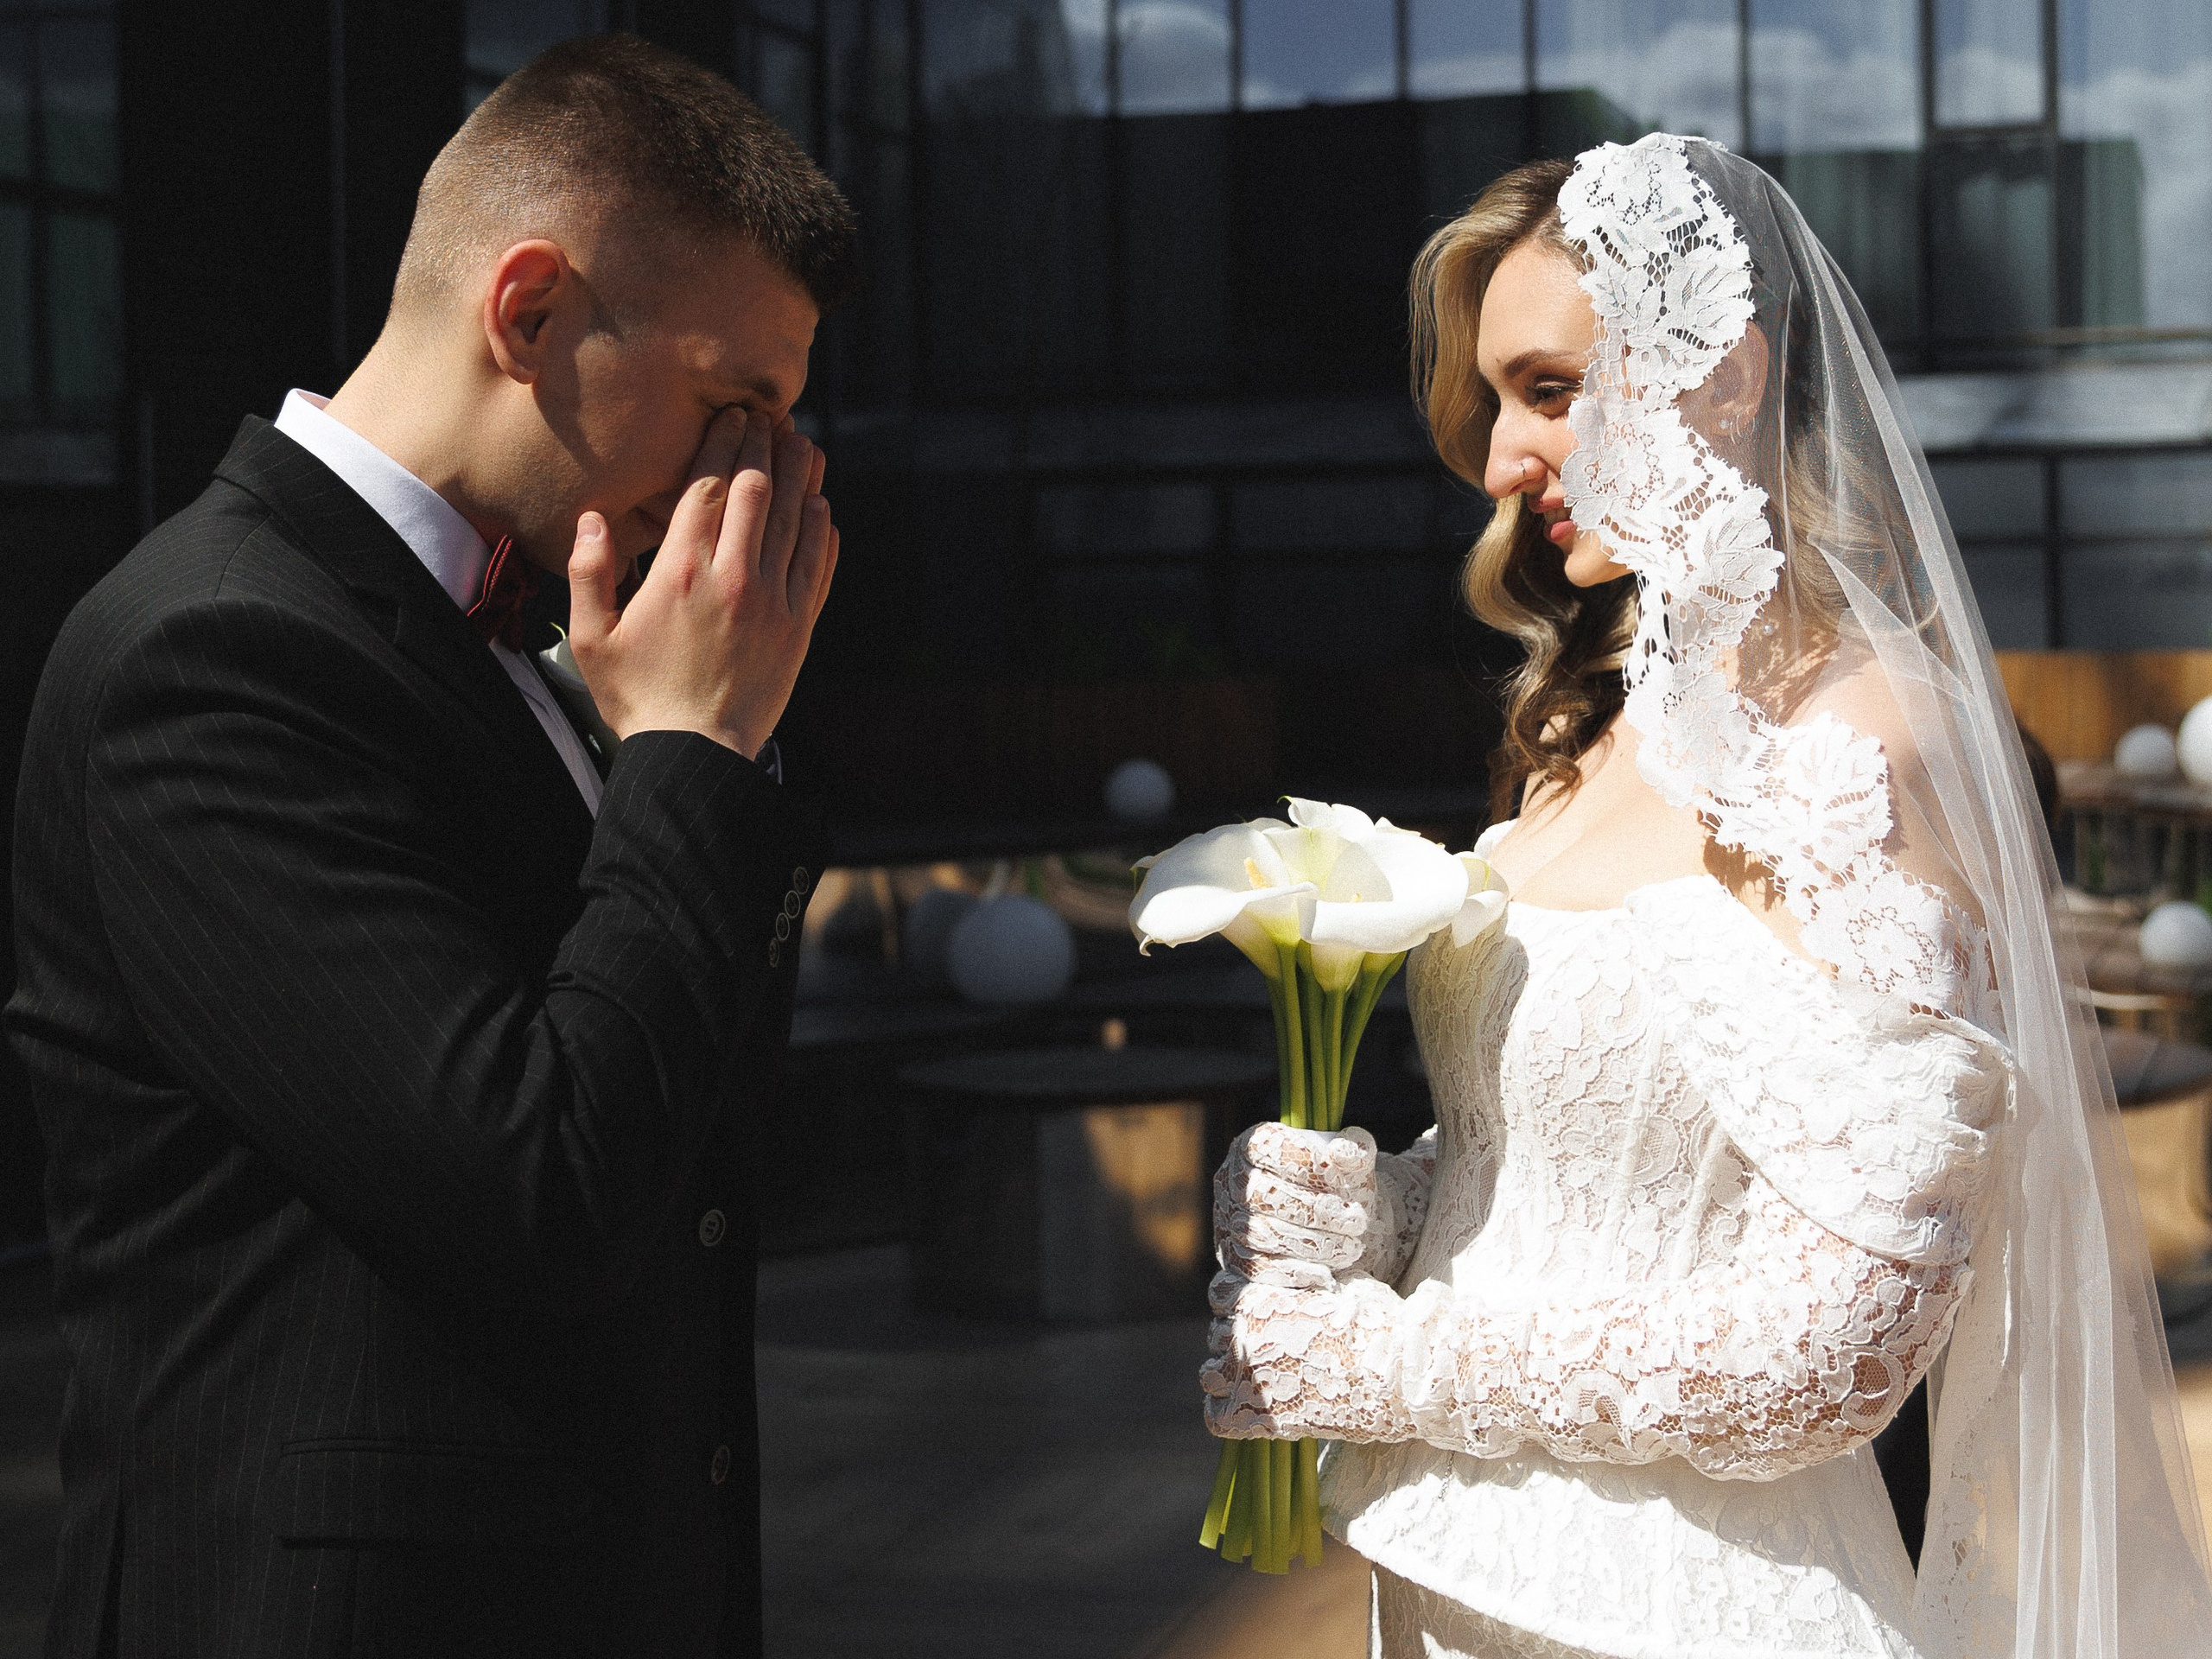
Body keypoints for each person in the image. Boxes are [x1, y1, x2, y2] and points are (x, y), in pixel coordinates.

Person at [1204, 135, 2212, 1657]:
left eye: (1547, 390)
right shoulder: (1580, 727)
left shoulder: (1864, 740)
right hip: (1444, 1587)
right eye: (1495, 404)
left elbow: (1834, 1353)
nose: (1496, 462)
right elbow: (1579, 1165)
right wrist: (1371, 1208)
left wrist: (1385, 1366)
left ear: (1723, 379)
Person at [5, 35, 852, 1659]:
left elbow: (709, 1138)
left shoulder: (552, 628)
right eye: (731, 403)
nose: (758, 471)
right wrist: (688, 751)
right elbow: (544, 1185)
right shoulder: (213, 656)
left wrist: (705, 740)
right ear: (528, 314)